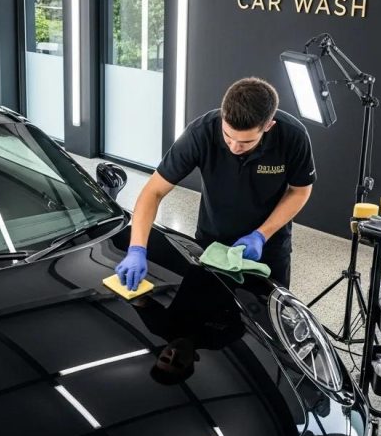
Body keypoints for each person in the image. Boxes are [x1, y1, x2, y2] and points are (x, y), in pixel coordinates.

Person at [116, 77, 315, 289]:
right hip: (212, 243)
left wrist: (261, 234)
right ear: (223, 117)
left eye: (246, 142)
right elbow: (153, 192)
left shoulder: (293, 136)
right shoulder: (199, 133)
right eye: (228, 136)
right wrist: (137, 249)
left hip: (269, 245)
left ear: (268, 125)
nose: (234, 147)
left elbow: (299, 191)